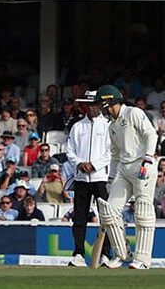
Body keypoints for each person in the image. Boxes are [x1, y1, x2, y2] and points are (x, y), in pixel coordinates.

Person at [95, 85, 159, 269]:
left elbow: (151, 134)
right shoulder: (112, 126)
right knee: (109, 212)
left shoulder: (133, 113)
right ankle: (121, 254)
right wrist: (110, 178)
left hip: (142, 164)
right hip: (124, 168)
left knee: (143, 211)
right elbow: (115, 156)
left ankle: (143, 259)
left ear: (109, 101)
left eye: (101, 104)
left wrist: (148, 158)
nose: (101, 108)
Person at [66, 89, 112, 267]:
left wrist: (95, 165)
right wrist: (79, 163)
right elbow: (70, 150)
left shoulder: (108, 125)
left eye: (95, 104)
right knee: (79, 217)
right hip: (81, 178)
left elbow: (111, 152)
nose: (93, 108)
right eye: (90, 105)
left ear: (101, 105)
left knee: (105, 218)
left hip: (100, 178)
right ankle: (78, 254)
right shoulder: (78, 126)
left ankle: (105, 255)